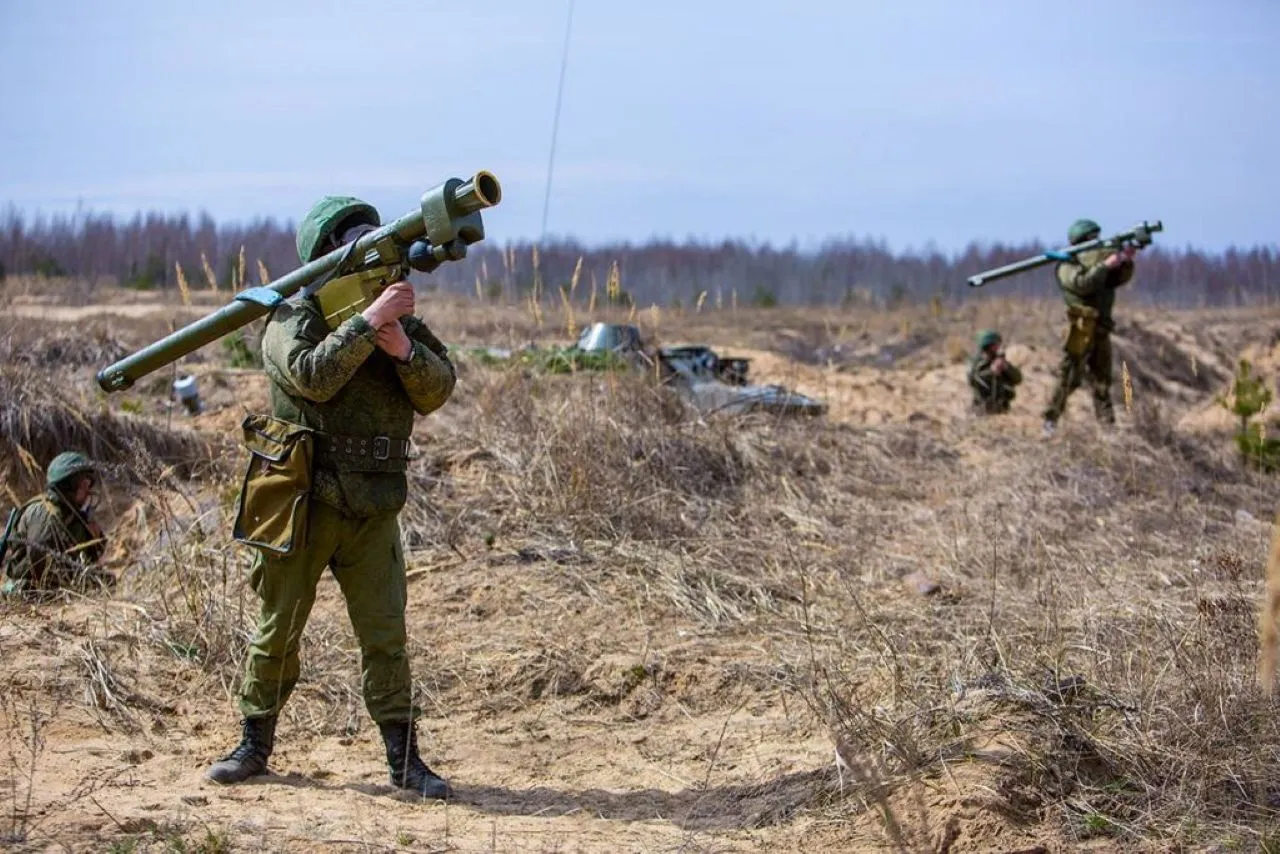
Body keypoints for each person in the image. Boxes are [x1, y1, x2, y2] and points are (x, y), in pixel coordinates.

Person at [205, 196, 457, 799]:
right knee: (278, 630)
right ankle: (253, 744)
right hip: (304, 504)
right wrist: (367, 325)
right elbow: (313, 376)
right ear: (327, 258)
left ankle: (404, 761)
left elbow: (438, 388)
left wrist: (402, 349)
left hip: (373, 509)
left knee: (385, 636)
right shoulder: (291, 317)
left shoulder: (397, 323)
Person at [1041, 218, 1138, 437]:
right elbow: (1082, 285)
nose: (1096, 243)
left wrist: (1125, 261)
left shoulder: (1097, 263)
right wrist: (1105, 265)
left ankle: (1107, 428)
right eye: (1091, 239)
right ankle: (1050, 421)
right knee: (1069, 377)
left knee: (1102, 380)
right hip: (1081, 329)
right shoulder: (1067, 264)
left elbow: (1116, 280)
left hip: (1101, 328)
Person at [0, 451, 110, 596]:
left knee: (107, 581)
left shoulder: (71, 513)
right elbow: (39, 564)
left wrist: (91, 529)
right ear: (69, 487)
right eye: (85, 484)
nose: (89, 491)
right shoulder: (44, 514)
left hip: (55, 586)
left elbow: (93, 555)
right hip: (27, 589)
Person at [967, 330, 1021, 414]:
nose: (998, 347)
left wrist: (1006, 367)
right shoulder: (977, 363)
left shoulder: (1000, 360)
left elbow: (1018, 379)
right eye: (995, 345)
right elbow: (973, 379)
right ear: (988, 346)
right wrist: (991, 372)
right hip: (981, 410)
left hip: (1003, 410)